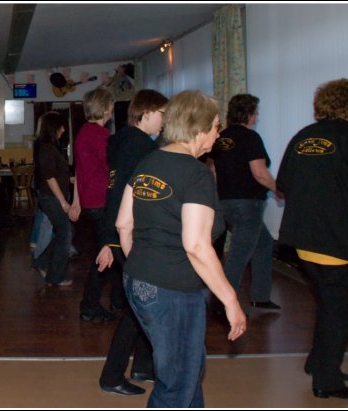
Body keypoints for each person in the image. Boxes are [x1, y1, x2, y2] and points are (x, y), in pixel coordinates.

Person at [114, 90, 246, 407]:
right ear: (198, 129)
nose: (218, 132)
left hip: (138, 280)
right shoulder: (195, 174)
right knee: (176, 383)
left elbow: (123, 225)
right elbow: (197, 245)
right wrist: (230, 299)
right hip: (173, 290)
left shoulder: (148, 162)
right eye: (215, 125)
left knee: (188, 369)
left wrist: (146, 266)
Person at [277, 78, 348, 400]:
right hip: (337, 241)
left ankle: (319, 363)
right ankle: (327, 380)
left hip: (304, 240)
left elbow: (283, 183)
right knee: (341, 314)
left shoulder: (302, 137)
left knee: (329, 306)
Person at [95, 89, 168, 396]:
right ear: (146, 113)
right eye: (162, 114)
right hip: (131, 237)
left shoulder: (129, 143)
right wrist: (111, 242)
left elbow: (116, 193)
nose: (164, 122)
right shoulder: (138, 148)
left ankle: (142, 365)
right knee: (137, 307)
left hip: (126, 235)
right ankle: (112, 376)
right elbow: (124, 196)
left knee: (139, 304)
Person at [208, 94, 281, 310]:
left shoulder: (220, 138)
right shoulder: (251, 138)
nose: (257, 116)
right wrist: (280, 190)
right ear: (249, 113)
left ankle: (260, 296)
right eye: (256, 112)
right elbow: (259, 173)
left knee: (263, 243)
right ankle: (223, 302)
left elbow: (211, 170)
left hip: (224, 203)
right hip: (248, 205)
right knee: (240, 253)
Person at [70, 87, 117, 322]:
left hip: (90, 201)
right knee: (106, 254)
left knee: (110, 252)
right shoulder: (100, 135)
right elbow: (111, 169)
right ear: (106, 108)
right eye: (110, 105)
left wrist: (76, 200)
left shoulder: (83, 132)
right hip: (101, 202)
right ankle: (89, 306)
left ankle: (112, 302)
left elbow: (79, 170)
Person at [33, 111, 77, 287]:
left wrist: (71, 180)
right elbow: (50, 178)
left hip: (52, 197)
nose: (64, 129)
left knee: (66, 232)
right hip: (51, 198)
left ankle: (42, 262)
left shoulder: (51, 147)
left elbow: (56, 175)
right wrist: (63, 202)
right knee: (65, 233)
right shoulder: (47, 148)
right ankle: (54, 277)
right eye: (61, 126)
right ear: (54, 128)